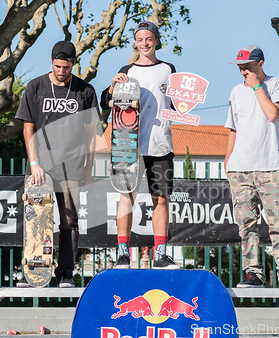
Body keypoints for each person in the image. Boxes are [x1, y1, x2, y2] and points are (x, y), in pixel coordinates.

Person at [15, 40, 101, 287]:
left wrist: (88, 166)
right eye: (57, 66)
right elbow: (28, 127)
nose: (61, 72)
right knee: (35, 217)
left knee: (69, 220)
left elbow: (91, 134)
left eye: (66, 67)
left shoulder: (85, 90)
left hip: (72, 164)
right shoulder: (36, 87)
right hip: (41, 163)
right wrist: (34, 162)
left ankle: (65, 273)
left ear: (74, 64)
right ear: (51, 62)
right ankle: (32, 271)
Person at [100, 21, 179, 270]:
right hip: (128, 144)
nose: (144, 44)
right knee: (126, 198)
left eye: (149, 39)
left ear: (156, 41)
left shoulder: (169, 69)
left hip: (160, 143)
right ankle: (123, 254)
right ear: (135, 42)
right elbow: (106, 101)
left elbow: (179, 105)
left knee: (161, 200)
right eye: (140, 39)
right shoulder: (127, 70)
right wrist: (114, 85)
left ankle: (161, 255)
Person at [224, 45, 279, 288]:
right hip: (240, 167)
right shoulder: (235, 91)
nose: (243, 70)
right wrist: (228, 159)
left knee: (278, 224)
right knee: (246, 224)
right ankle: (252, 273)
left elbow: (272, 114)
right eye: (240, 67)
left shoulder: (276, 84)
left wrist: (257, 86)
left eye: (248, 66)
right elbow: (233, 128)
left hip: (269, 166)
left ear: (260, 64)